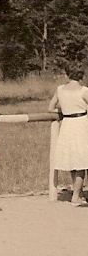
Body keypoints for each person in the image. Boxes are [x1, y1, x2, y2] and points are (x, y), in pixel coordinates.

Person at [48, 64, 88, 205]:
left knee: (73, 161)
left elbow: (50, 107)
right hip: (81, 123)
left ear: (67, 75)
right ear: (81, 77)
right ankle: (76, 196)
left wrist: (65, 107)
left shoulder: (60, 90)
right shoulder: (84, 91)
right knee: (82, 161)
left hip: (67, 124)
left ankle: (78, 192)